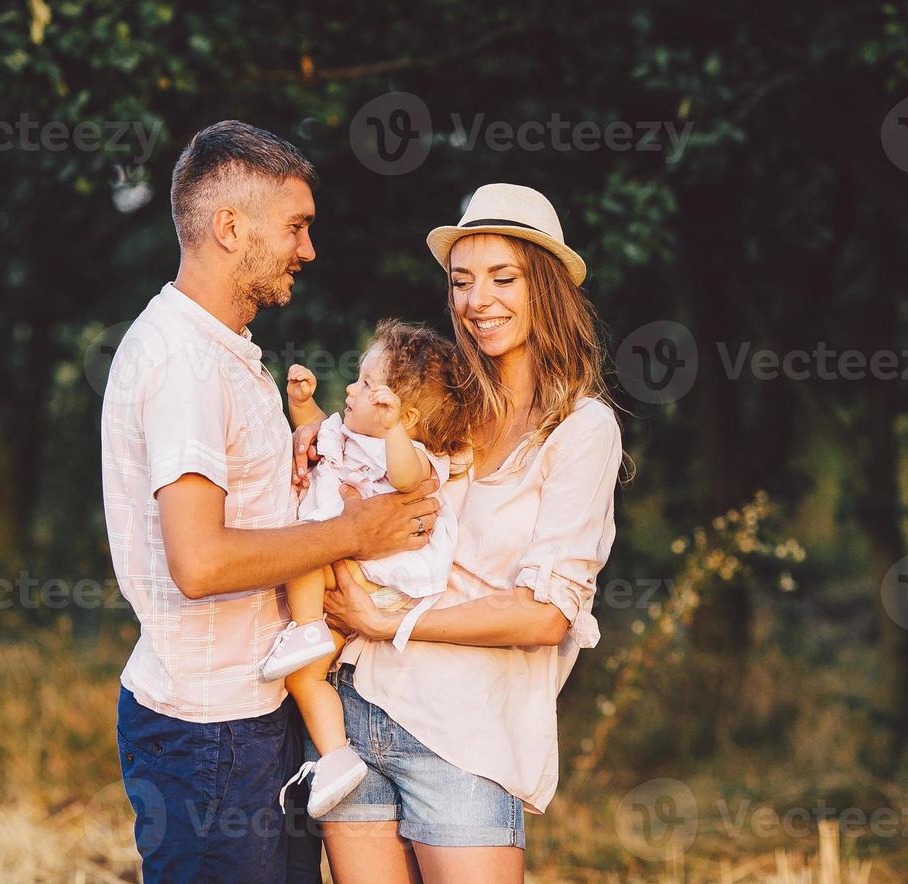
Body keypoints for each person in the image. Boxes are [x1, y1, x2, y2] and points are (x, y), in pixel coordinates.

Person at [100, 120, 441, 883]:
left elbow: (239, 514)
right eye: (296, 227)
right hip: (210, 732)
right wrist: (351, 528)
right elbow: (201, 560)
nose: (308, 249)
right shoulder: (186, 363)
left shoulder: (224, 354)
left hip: (253, 719)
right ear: (230, 228)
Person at [315, 183, 626, 883]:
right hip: (356, 710)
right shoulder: (441, 407)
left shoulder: (582, 431)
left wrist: (390, 619)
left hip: (466, 736)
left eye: (502, 278)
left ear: (543, 287)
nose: (477, 300)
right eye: (461, 282)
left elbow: (547, 614)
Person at [262, 321, 469, 820]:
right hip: (351, 582)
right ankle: (337, 758)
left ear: (405, 414)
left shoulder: (416, 456)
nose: (351, 388)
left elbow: (403, 477)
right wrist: (301, 405)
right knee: (304, 679)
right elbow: (317, 436)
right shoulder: (349, 434)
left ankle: (307, 628)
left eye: (365, 384)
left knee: (303, 549)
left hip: (385, 577)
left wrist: (396, 430)